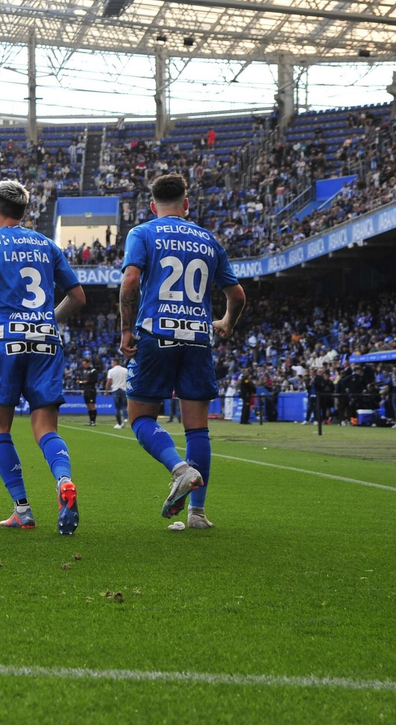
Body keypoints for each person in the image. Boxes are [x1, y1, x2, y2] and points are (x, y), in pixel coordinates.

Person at [119, 173, 246, 531]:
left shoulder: (142, 232)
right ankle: (197, 515)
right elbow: (236, 295)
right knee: (197, 429)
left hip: (156, 333)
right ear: (186, 204)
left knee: (142, 419)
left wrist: (127, 329)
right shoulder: (209, 240)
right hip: (197, 338)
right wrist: (225, 323)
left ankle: (179, 468)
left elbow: (130, 281)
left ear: (152, 205)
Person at [0, 179, 87, 535]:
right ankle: (63, 480)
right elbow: (77, 296)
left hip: (5, 340)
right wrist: (47, 321)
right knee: (45, 427)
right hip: (47, 340)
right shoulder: (47, 245)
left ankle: (23, 510)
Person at [106, 359, 131, 428]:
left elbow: (109, 381)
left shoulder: (111, 371)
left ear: (114, 363)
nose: (111, 364)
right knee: (124, 406)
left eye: (112, 363)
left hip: (116, 389)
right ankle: (125, 419)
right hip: (124, 389)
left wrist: (106, 390)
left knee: (117, 408)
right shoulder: (125, 370)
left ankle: (119, 423)